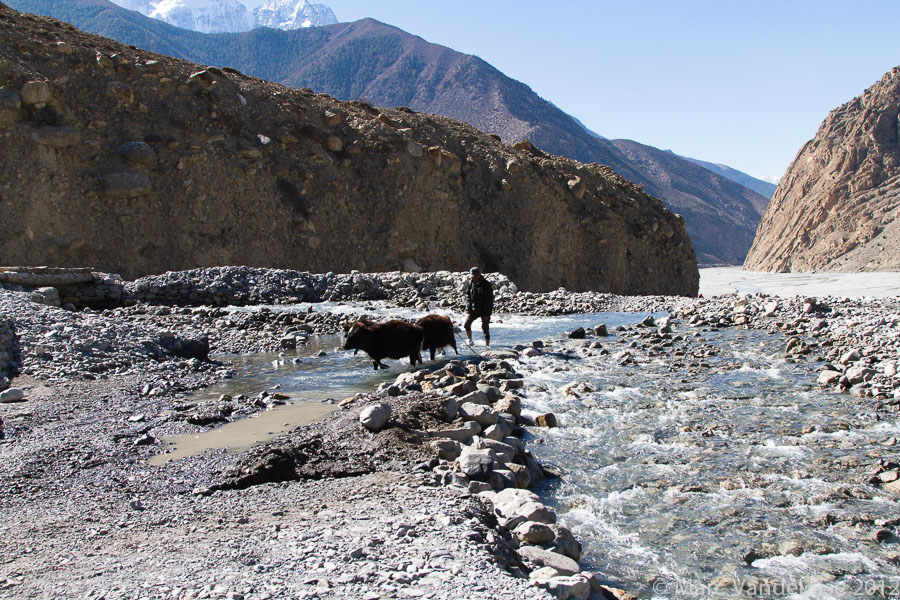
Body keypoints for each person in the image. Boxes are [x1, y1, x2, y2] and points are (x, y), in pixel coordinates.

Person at [464, 267, 493, 346]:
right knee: (466, 324)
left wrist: (487, 313)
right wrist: (468, 307)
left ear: (479, 275)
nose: (473, 278)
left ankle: (487, 346)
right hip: (473, 309)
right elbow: (467, 295)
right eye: (472, 276)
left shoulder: (486, 284)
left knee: (485, 329)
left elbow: (490, 300)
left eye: (475, 276)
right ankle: (469, 341)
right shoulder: (470, 282)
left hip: (484, 310)